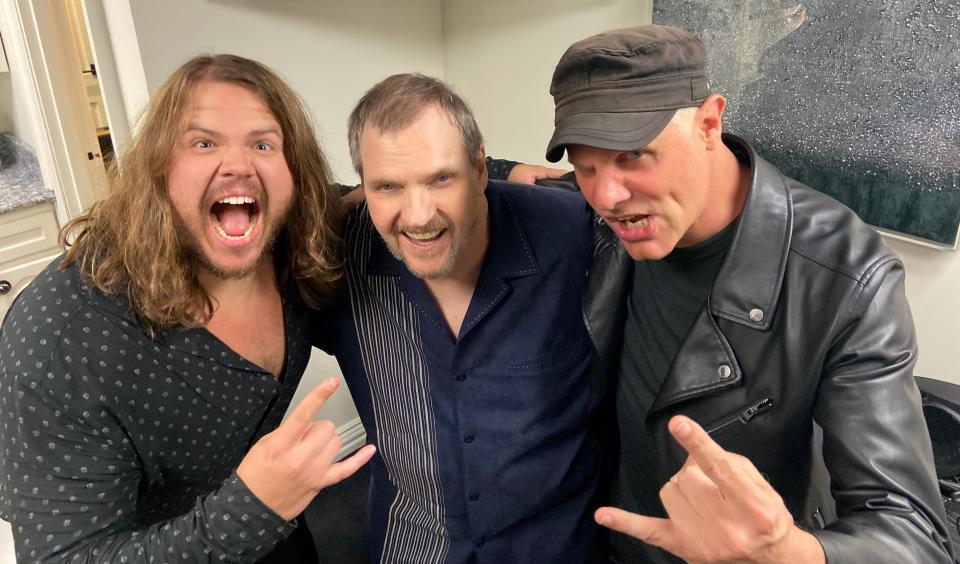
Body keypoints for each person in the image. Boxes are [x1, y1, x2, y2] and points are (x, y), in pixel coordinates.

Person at [541, 25, 953, 563]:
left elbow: (915, 537)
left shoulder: (845, 276)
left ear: (709, 122)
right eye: (586, 165)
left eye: (634, 155)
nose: (607, 195)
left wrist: (786, 553)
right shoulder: (602, 212)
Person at [0, 54, 375, 563]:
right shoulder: (63, 337)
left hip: (281, 535)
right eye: (203, 143)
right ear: (157, 168)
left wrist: (497, 176)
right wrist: (254, 507)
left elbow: (380, 191)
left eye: (263, 144)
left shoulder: (292, 239)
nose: (240, 165)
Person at [315, 73, 604, 562]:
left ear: (479, 168)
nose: (419, 215)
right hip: (414, 545)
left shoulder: (574, 232)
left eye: (441, 178)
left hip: (553, 547)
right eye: (387, 186)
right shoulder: (334, 255)